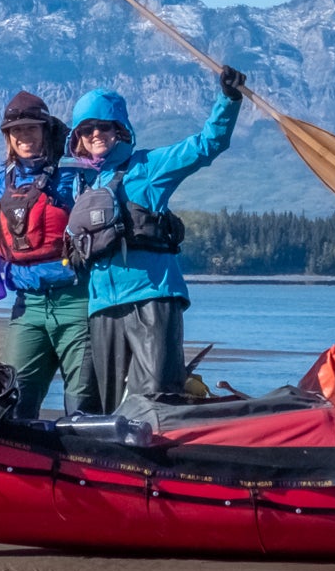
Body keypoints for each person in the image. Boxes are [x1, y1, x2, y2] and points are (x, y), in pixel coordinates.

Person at [66, 73, 242, 413]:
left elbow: (207, 145)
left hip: (152, 298)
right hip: (103, 306)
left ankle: (164, 459)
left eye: (103, 126)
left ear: (120, 129)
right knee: (113, 405)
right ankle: (116, 463)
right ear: (79, 139)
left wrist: (228, 100)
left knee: (157, 398)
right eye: (87, 130)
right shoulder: (82, 185)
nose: (96, 135)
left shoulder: (149, 168)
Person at [0, 90, 89, 416]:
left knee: (83, 400)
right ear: (8, 137)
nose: (24, 136)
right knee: (11, 398)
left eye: (32, 128)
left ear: (46, 130)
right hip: (27, 304)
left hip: (77, 301)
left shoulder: (75, 173)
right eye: (16, 131)